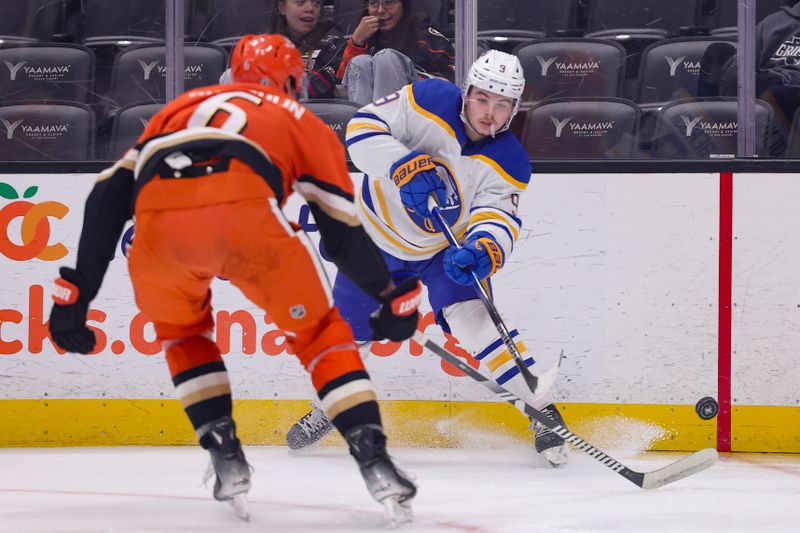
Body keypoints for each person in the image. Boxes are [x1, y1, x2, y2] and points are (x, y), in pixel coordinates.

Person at [48, 34, 421, 524]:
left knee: (184, 335)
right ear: (292, 80)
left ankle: (224, 452)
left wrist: (77, 290)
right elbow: (341, 233)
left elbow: (106, 197)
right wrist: (387, 294)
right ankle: (374, 458)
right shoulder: (300, 118)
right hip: (248, 216)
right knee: (320, 336)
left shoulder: (177, 108)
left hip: (158, 227)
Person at [287, 49, 570, 467]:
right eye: (482, 99)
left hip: (442, 250)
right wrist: (401, 164)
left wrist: (483, 247)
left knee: (476, 322)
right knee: (347, 336)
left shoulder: (509, 159)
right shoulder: (429, 99)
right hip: (373, 239)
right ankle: (329, 406)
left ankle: (541, 409)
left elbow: (497, 215)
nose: (489, 113)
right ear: (467, 92)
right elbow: (362, 127)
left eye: (502, 104)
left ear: (514, 108)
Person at [219, 0, 347, 99]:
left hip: (312, 111)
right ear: (282, 8)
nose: (310, 9)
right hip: (268, 108)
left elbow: (322, 82)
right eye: (300, 2)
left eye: (316, 3)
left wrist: (278, 84)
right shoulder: (267, 44)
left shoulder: (332, 39)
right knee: (229, 75)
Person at [719, 0, 800, 155]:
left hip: (785, 100)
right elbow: (736, 73)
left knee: (777, 95)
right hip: (765, 100)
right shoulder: (771, 24)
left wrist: (784, 80)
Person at [336, 0, 455, 105]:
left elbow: (451, 81)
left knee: (385, 58)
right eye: (373, 3)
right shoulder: (363, 37)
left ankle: (387, 127)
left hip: (420, 109)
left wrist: (400, 75)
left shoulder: (425, 35)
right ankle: (364, 127)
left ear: (404, 5)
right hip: (372, 113)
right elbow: (342, 84)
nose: (380, 10)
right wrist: (356, 43)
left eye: (388, 2)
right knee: (360, 61)